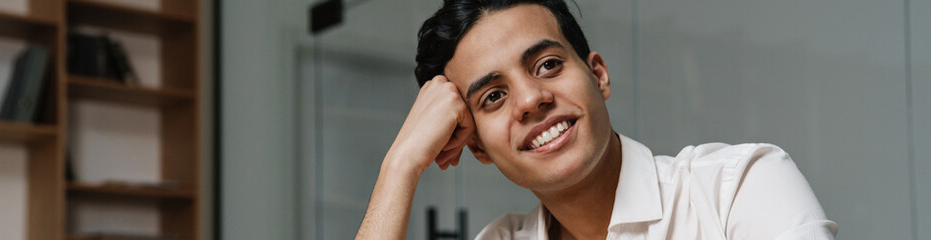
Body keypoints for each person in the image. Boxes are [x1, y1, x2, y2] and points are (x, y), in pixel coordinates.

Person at [356, 0, 838, 239]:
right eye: (494, 96)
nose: (531, 100)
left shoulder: (739, 188)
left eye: (547, 65)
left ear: (598, 75)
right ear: (477, 148)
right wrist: (398, 168)